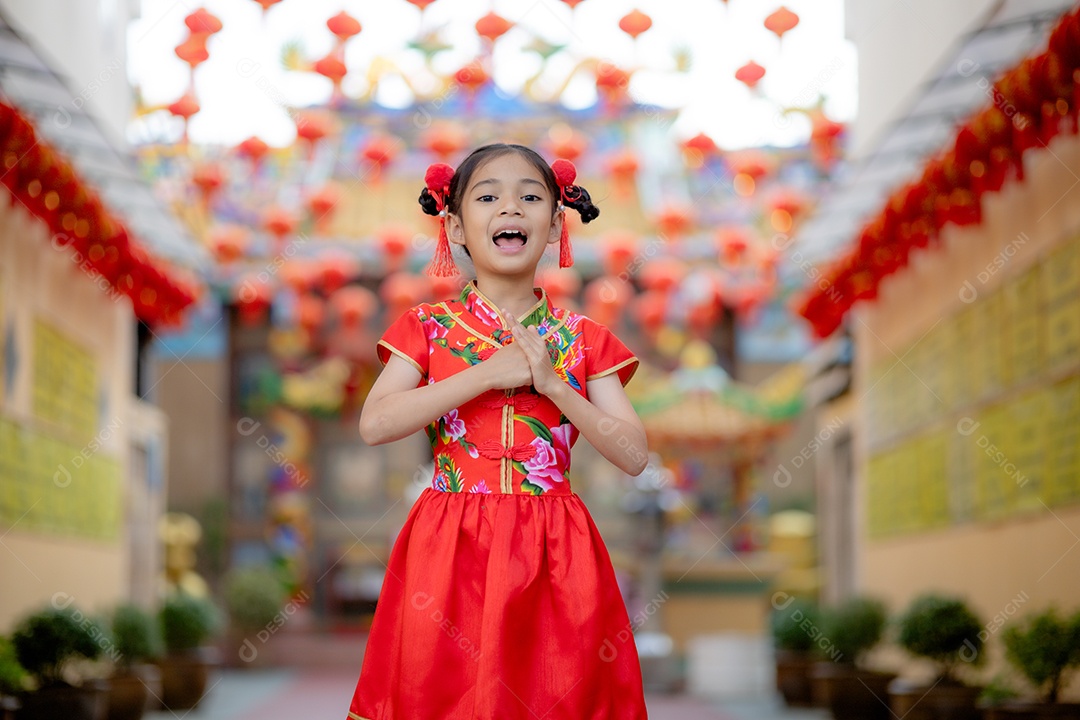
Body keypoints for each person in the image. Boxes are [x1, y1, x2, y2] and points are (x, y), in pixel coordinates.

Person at [346, 143, 650, 720]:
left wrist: (556, 386)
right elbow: (376, 423)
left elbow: (634, 455)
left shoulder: (584, 338)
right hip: (449, 541)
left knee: (556, 694)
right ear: (456, 225)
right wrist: (489, 373)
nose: (510, 208)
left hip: (555, 547)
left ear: (556, 223)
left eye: (530, 197)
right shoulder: (426, 328)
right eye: (488, 197)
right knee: (438, 694)